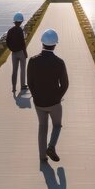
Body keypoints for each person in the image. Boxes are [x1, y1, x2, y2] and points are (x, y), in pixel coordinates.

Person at [27, 29, 69, 162]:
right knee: (57, 125)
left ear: (42, 43)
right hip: (54, 102)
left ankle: (42, 157)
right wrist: (58, 97)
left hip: (39, 103)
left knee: (42, 127)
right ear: (55, 44)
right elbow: (65, 84)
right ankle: (51, 147)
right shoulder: (59, 62)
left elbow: (30, 82)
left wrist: (35, 96)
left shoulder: (32, 61)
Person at [6, 12, 28, 92]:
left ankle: (14, 88)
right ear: (21, 21)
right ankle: (22, 86)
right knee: (22, 69)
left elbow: (7, 42)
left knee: (14, 71)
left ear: (14, 21)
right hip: (21, 52)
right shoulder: (20, 30)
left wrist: (11, 49)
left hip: (13, 54)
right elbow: (23, 43)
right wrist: (25, 53)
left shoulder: (10, 30)